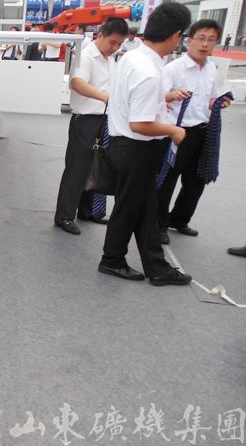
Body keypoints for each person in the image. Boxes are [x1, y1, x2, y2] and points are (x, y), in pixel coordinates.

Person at [98, 2, 192, 286]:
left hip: (125, 145)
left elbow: (132, 102)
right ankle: (112, 260)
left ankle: (156, 267)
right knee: (129, 209)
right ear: (176, 35)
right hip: (137, 148)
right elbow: (140, 123)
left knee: (146, 209)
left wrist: (163, 101)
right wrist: (173, 130)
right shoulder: (149, 71)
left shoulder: (132, 58)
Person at [158, 19, 231, 245]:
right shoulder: (174, 68)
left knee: (196, 180)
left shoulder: (211, 69)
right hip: (177, 131)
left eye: (211, 40)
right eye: (201, 38)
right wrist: (172, 95)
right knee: (168, 179)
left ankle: (179, 219)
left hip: (202, 131)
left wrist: (218, 103)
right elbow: (157, 97)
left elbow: (211, 98)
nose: (205, 44)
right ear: (189, 40)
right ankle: (159, 224)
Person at [54, 18, 129, 235]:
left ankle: (88, 211)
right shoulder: (86, 56)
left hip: (105, 120)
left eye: (119, 44)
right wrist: (105, 97)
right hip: (86, 121)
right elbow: (77, 83)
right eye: (112, 42)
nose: (115, 47)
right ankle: (65, 216)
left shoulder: (110, 59)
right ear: (101, 35)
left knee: (97, 166)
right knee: (77, 170)